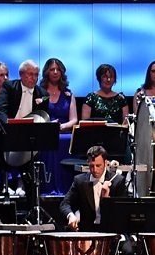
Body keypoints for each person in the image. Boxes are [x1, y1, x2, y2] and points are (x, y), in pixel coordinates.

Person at [36, 57, 78, 195]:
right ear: (47, 72)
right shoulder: (38, 92)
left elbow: (74, 120)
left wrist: (61, 126)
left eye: (58, 69)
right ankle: (46, 187)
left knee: (67, 140)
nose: (55, 72)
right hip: (44, 131)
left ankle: (68, 188)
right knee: (48, 141)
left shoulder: (68, 94)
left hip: (63, 131)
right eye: (52, 69)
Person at [61, 145, 128, 230]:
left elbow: (122, 212)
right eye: (91, 166)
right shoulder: (80, 181)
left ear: (105, 163)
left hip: (110, 230)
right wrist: (70, 215)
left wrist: (107, 198)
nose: (95, 170)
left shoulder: (117, 181)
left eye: (98, 165)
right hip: (87, 231)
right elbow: (65, 203)